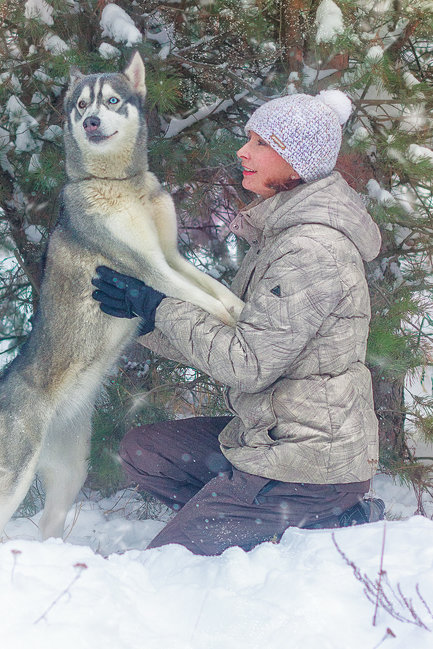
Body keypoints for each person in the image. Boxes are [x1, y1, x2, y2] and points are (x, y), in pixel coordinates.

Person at [91, 90, 385, 556]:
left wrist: (158, 308)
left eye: (261, 143)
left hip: (307, 465)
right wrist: (142, 319)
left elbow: (247, 363)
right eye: (248, 138)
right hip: (269, 438)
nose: (242, 152)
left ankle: (311, 520)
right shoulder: (280, 236)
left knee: (169, 565)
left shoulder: (311, 250)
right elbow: (232, 334)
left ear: (297, 162)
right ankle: (255, 520)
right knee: (147, 451)